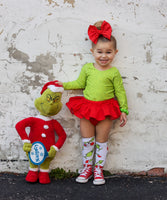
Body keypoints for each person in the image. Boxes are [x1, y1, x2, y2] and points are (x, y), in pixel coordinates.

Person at [57, 20, 128, 185]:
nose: (104, 56)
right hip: (87, 109)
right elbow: (79, 84)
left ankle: (98, 170)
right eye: (100, 52)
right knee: (87, 140)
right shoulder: (88, 68)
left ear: (115, 52)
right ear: (92, 51)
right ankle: (87, 168)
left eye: (108, 52)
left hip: (105, 111)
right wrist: (63, 85)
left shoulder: (114, 72)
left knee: (101, 141)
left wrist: (124, 109)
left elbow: (120, 92)